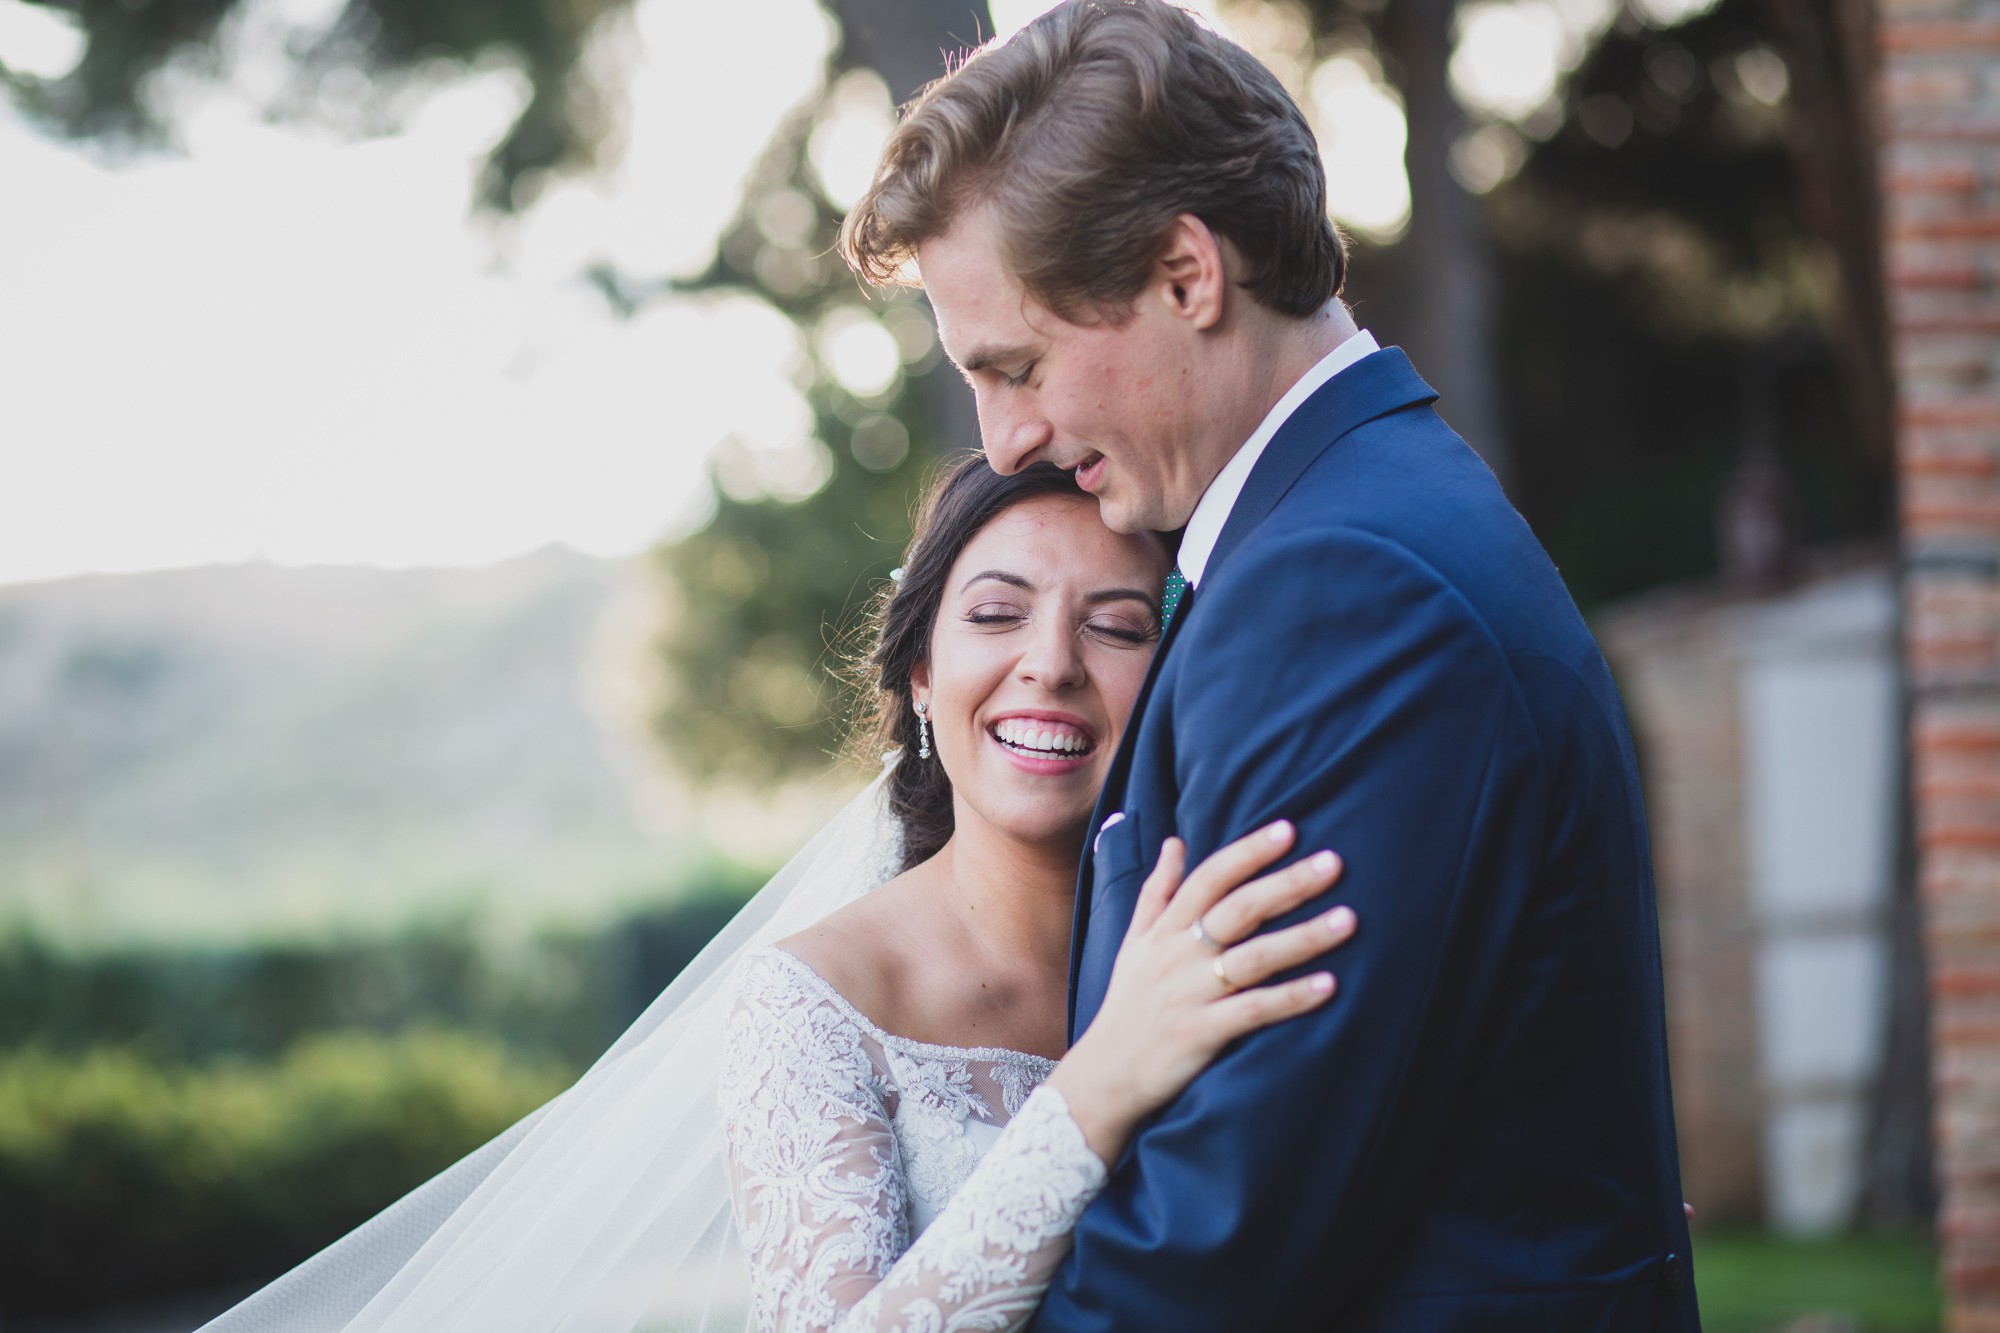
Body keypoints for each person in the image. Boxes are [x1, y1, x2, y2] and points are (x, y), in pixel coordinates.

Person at [837, 1, 1700, 1328]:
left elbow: (1219, 1244)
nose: (1002, 441)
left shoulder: (1343, 590)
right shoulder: (1353, 524)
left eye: (1016, 367)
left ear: (1188, 275)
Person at [719, 455, 1357, 1332]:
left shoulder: (1232, 931)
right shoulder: (815, 1002)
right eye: (994, 614)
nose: (1051, 664)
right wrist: (1097, 1086)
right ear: (921, 677)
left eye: (1120, 628)